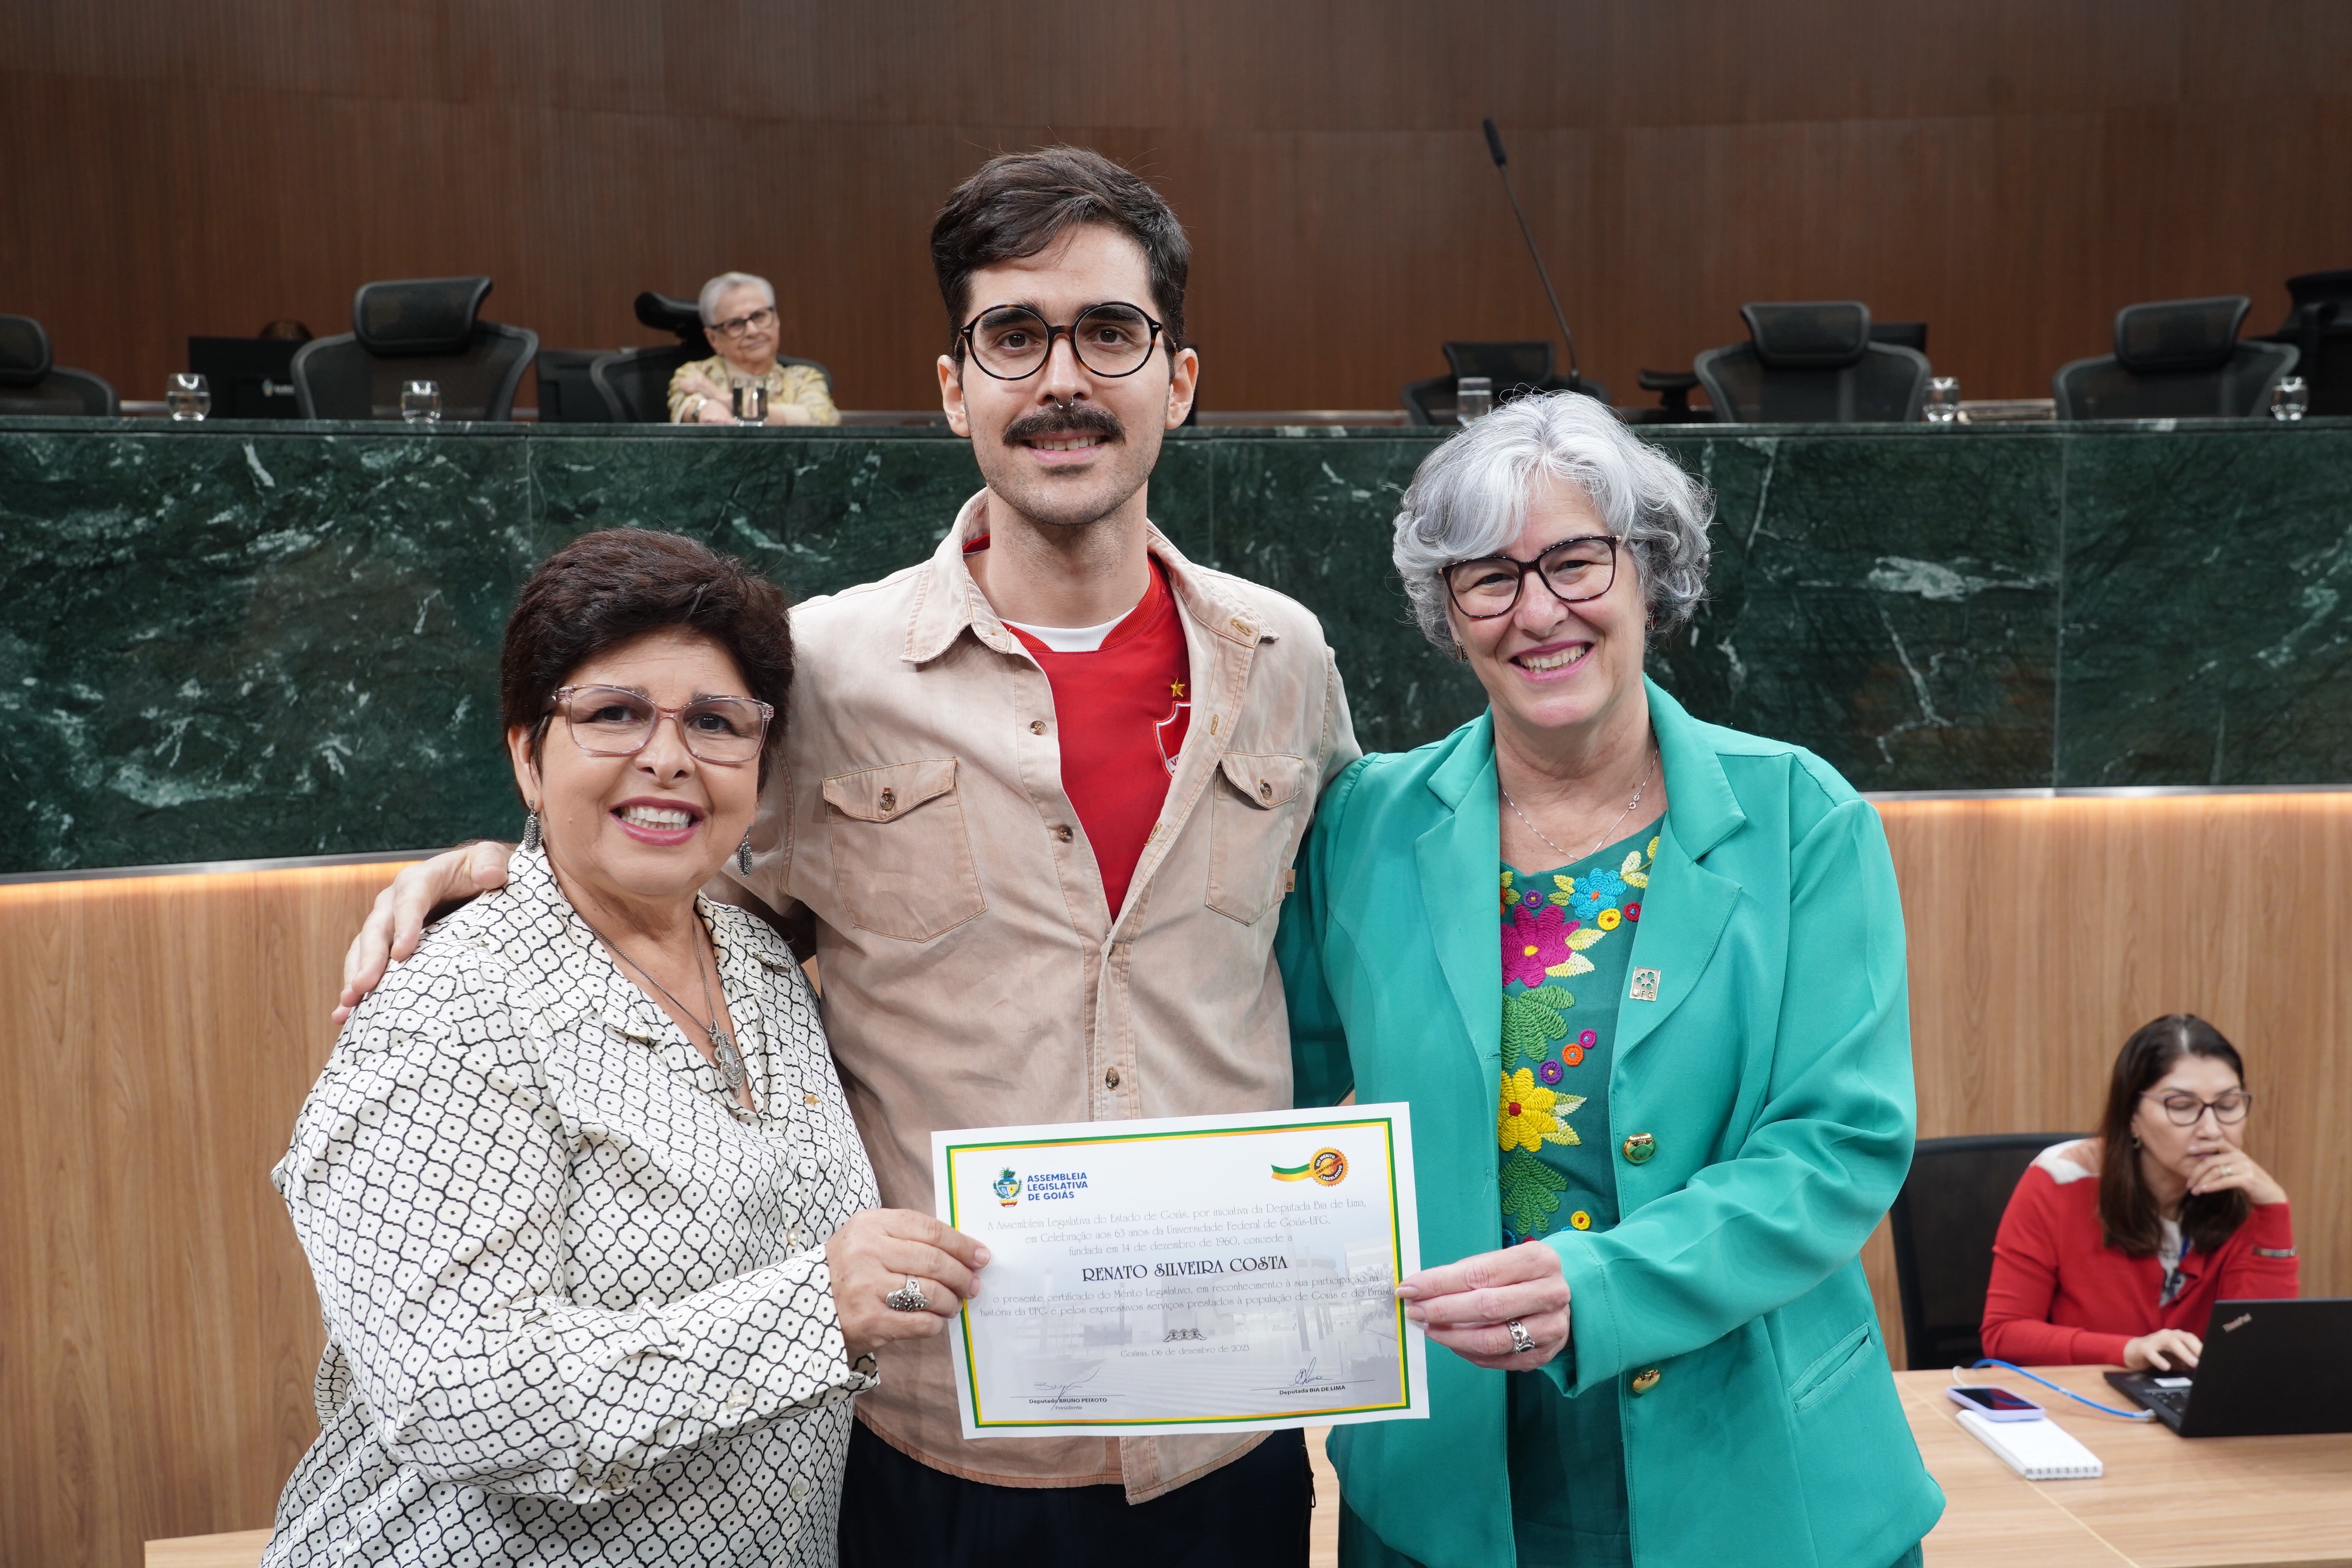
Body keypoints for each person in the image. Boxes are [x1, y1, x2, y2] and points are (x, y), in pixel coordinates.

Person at [337, 148, 1355, 1566]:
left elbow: (1343, 926)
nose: (1063, 378)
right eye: (1014, 336)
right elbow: (675, 881)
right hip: (937, 1431)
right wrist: (503, 870)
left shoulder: (1282, 657)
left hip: (1223, 1417)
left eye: (1109, 332)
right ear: (954, 387)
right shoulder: (826, 668)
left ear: (1177, 380)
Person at [1277, 391, 1943, 1568]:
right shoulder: (1365, 824)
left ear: (1650, 572)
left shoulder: (1801, 818)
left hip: (1753, 1477)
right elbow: (1259, 1075)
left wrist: (1599, 1286)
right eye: (1488, 577)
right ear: (1448, 611)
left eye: (1576, 560)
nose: (1538, 610)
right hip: (1443, 1482)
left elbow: (1838, 1146)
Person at [265, 529, 984, 1566]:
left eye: (715, 722)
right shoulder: (452, 1006)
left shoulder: (761, 960)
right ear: (527, 754)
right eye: (614, 714)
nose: (668, 757)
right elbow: (451, 1393)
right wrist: (812, 1311)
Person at [1981, 1014, 2297, 1370]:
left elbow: (2257, 1346)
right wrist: (2127, 1351)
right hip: (2076, 1397)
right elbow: (2004, 1335)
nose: (2211, 1130)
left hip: (2191, 1400)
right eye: (2182, 1107)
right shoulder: (2061, 1180)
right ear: (2132, 1114)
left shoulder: (2244, 1195)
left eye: (2227, 1106)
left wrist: (2274, 1210)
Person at [669, 272, 841, 426]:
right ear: (713, 339)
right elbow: (689, 408)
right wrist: (703, 409)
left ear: (776, 320)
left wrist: (726, 400)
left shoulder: (803, 378)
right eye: (735, 324)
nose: (752, 331)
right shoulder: (697, 374)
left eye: (759, 316)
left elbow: (821, 418)